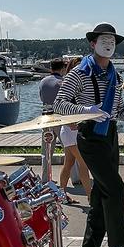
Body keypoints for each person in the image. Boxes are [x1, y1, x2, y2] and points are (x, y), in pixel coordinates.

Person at [54, 23, 124, 247]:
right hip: (89, 135)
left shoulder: (116, 76)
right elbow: (59, 104)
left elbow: (118, 111)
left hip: (110, 134)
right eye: (103, 40)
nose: (109, 44)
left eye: (112, 41)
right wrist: (85, 111)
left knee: (101, 192)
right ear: (92, 43)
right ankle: (116, 246)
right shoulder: (79, 73)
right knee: (116, 189)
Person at [40, 58, 92, 204]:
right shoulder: (64, 83)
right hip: (65, 121)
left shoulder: (43, 82)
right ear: (63, 68)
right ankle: (86, 191)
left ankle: (48, 180)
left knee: (48, 151)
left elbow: (42, 98)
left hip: (47, 117)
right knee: (78, 160)